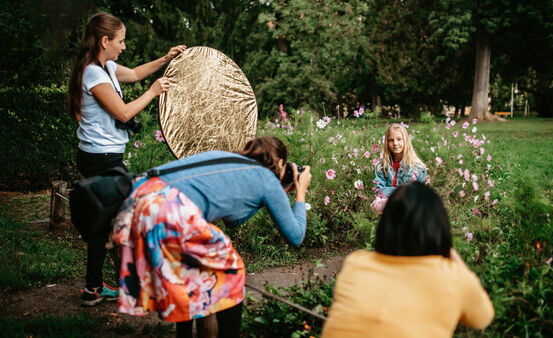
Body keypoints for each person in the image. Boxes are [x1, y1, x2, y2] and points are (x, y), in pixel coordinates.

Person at [108, 136, 312, 338]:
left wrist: (277, 193)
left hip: (140, 196)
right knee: (233, 270)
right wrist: (300, 192)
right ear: (280, 163)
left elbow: (234, 220)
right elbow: (295, 236)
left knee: (187, 270)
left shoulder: (226, 159)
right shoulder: (268, 179)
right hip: (171, 208)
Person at [66, 12, 186, 306]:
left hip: (103, 156)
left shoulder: (105, 66)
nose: (124, 46)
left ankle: (94, 288)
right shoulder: (94, 73)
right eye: (120, 41)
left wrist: (165, 59)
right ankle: (138, 282)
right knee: (129, 216)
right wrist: (154, 92)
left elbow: (132, 73)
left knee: (104, 222)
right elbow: (122, 112)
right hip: (101, 159)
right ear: (105, 40)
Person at [322, 182, 494, 337]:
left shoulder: (356, 263)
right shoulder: (454, 277)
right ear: (437, 228)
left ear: (385, 225)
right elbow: (482, 318)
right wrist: (451, 254)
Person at [371, 123, 427, 213]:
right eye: (391, 140)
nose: (395, 143)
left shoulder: (417, 167)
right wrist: (401, 191)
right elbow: (378, 191)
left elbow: (417, 195)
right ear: (387, 143)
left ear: (405, 141)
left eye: (399, 139)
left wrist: (389, 191)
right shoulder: (381, 166)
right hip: (386, 210)